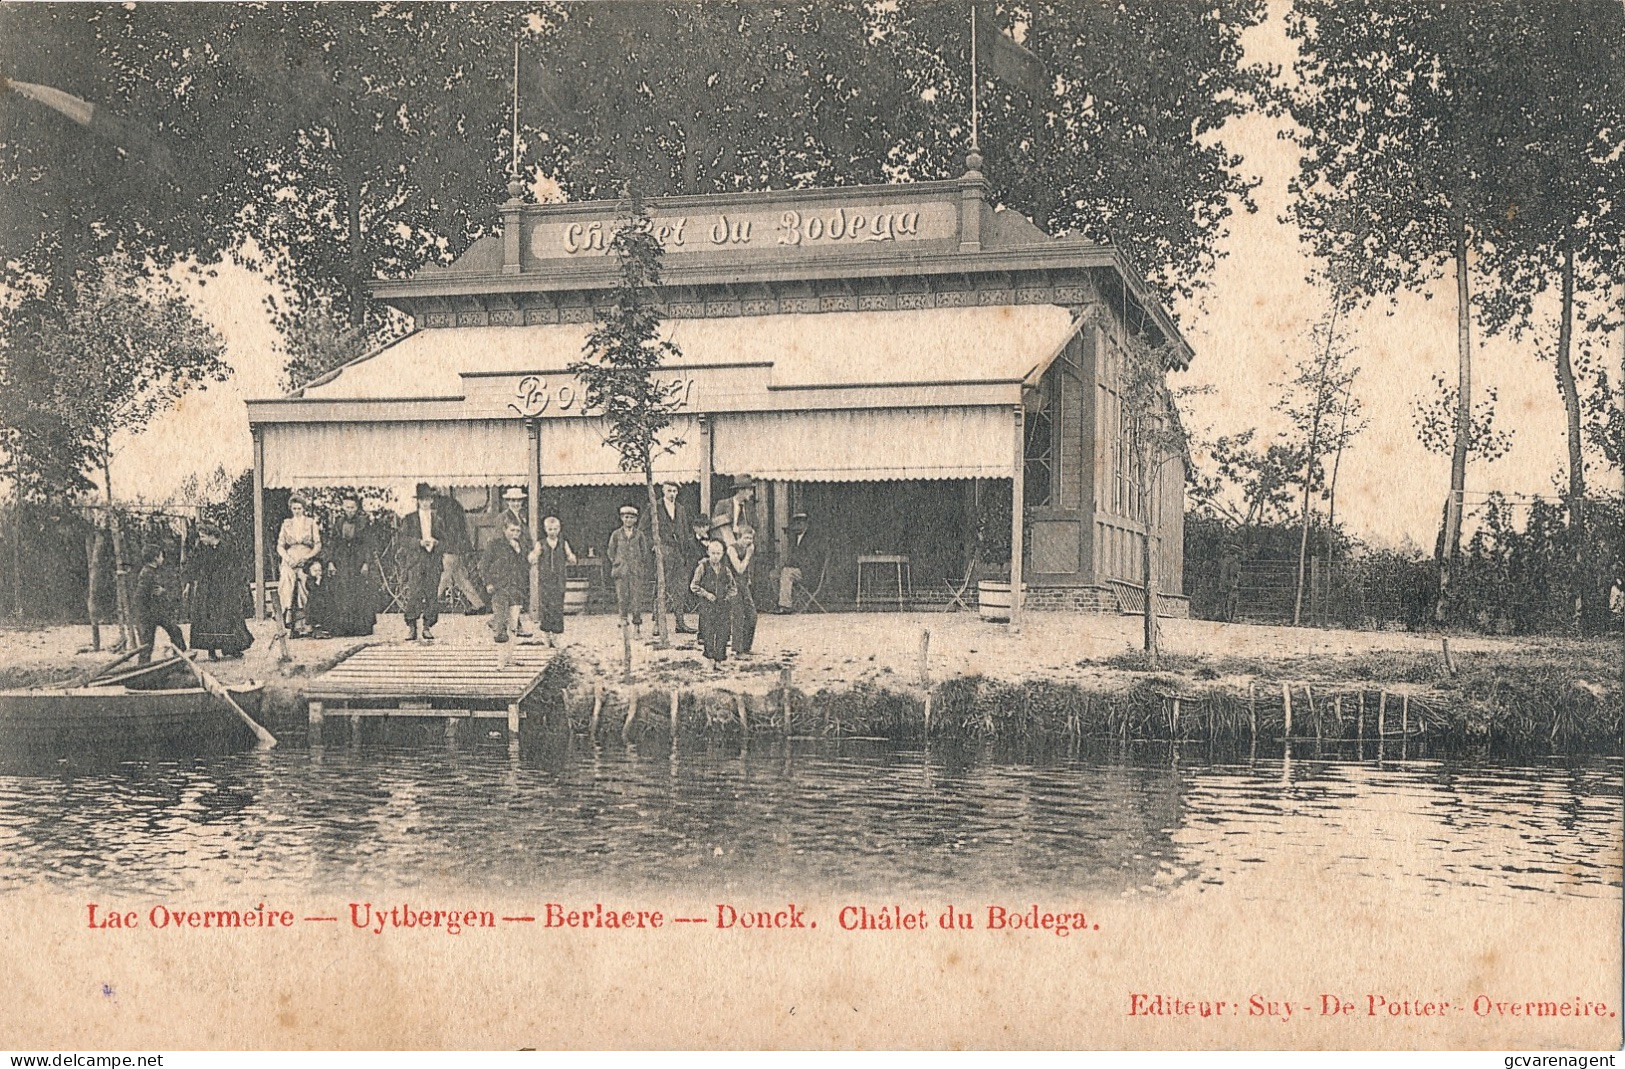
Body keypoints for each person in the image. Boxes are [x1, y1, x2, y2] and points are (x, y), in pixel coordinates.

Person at [185, 523, 253, 659]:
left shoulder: (227, 547)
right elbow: (193, 565)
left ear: (212, 535)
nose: (202, 539)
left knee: (228, 616)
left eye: (203, 536)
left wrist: (236, 585)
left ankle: (231, 648)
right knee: (207, 618)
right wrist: (189, 582)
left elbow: (237, 566)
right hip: (207, 589)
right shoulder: (201, 549)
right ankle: (211, 651)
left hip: (225, 587)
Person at [395, 482, 453, 641]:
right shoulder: (410, 519)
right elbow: (402, 540)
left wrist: (436, 543)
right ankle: (412, 626)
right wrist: (418, 543)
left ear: (432, 500)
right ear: (418, 501)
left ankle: (427, 626)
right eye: (422, 499)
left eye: (428, 499)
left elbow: (446, 542)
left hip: (432, 561)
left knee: (431, 594)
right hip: (416, 562)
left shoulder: (438, 519)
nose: (426, 502)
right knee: (414, 593)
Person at [644, 481, 694, 634]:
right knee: (661, 587)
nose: (672, 494)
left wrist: (685, 552)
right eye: (669, 491)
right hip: (663, 552)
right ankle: (658, 624)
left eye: (674, 491)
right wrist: (654, 546)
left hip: (678, 554)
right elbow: (643, 530)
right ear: (663, 491)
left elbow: (685, 532)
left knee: (680, 588)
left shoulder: (681, 509)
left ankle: (680, 623)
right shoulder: (654, 507)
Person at [324, 494, 376, 637]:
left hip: (357, 561)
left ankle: (360, 627)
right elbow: (332, 543)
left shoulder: (363, 522)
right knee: (342, 592)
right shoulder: (338, 522)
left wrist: (366, 563)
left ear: (357, 508)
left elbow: (368, 544)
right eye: (347, 507)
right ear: (343, 507)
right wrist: (330, 562)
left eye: (352, 507)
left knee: (358, 591)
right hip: (342, 561)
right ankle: (343, 627)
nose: (350, 510)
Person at [480, 517, 538, 643]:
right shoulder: (495, 545)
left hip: (515, 587)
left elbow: (525, 567)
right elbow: (483, 565)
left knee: (513, 625)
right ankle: (499, 635)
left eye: (518, 531)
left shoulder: (520, 547)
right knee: (501, 623)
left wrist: (523, 555)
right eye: (512, 530)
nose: (515, 534)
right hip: (499, 586)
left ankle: (509, 655)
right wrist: (488, 582)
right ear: (504, 529)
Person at [434, 486, 490, 616]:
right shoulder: (454, 504)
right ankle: (478, 605)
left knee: (444, 577)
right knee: (460, 578)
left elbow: (441, 530)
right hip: (457, 548)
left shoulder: (442, 507)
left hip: (449, 548)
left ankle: (431, 604)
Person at [133, 544, 186, 663]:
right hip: (148, 613)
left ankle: (180, 658)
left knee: (175, 631)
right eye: (161, 556)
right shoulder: (147, 573)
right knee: (147, 644)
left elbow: (161, 588)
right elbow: (140, 595)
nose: (163, 558)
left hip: (157, 611)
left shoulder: (154, 571)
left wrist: (163, 592)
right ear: (155, 558)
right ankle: (143, 668)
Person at [276, 495, 321, 633]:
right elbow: (280, 545)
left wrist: (307, 557)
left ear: (304, 509)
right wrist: (288, 559)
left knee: (304, 582)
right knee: (287, 580)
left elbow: (318, 544)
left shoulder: (311, 523)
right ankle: (289, 617)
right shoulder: (286, 523)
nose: (297, 511)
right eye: (294, 508)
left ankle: (306, 623)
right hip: (290, 558)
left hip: (306, 558)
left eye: (299, 508)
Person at [690, 539, 737, 670]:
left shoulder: (726, 570)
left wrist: (727, 597)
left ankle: (719, 660)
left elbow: (733, 587)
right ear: (708, 553)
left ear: (722, 554)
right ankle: (708, 659)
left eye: (718, 553)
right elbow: (694, 585)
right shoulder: (702, 567)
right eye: (713, 553)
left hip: (722, 605)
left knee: (723, 632)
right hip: (707, 605)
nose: (715, 556)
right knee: (708, 632)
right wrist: (706, 594)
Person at [606, 504, 651, 637]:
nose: (629, 520)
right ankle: (624, 627)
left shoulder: (639, 535)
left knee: (636, 600)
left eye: (632, 517)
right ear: (622, 518)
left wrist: (638, 564)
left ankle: (637, 628)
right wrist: (618, 562)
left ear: (636, 520)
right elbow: (611, 551)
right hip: (621, 572)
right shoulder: (616, 534)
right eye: (626, 517)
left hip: (635, 572)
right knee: (622, 599)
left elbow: (645, 552)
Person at [534, 515, 576, 647]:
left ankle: (556, 636)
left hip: (559, 580)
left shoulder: (563, 543)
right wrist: (533, 556)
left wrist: (572, 558)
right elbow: (534, 555)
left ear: (559, 529)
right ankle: (546, 635)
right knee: (545, 606)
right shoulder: (540, 543)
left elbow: (570, 556)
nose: (553, 531)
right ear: (545, 529)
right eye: (550, 529)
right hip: (545, 580)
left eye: (555, 529)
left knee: (557, 607)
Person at [776, 512, 823, 613]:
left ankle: (786, 606)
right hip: (797, 571)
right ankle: (781, 603)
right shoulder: (794, 539)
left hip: (808, 573)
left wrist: (793, 565)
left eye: (799, 523)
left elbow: (810, 560)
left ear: (806, 524)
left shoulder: (812, 539)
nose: (796, 526)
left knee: (786, 572)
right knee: (774, 574)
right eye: (795, 523)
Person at [726, 519, 758, 656]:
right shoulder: (732, 549)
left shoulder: (748, 547)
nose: (748, 541)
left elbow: (746, 571)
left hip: (743, 585)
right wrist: (748, 555)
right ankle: (738, 650)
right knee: (738, 616)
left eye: (750, 538)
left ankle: (746, 647)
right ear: (739, 537)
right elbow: (739, 568)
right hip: (732, 585)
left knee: (752, 615)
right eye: (746, 538)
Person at [362, 496, 398, 614]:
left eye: (374, 514)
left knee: (376, 581)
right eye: (369, 513)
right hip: (364, 557)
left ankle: (376, 607)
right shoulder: (362, 525)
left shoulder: (380, 526)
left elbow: (383, 540)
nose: (371, 516)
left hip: (378, 557)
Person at [303, 559, 334, 637]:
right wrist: (318, 581)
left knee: (325, 612)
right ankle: (317, 630)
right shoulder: (310, 579)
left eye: (319, 570)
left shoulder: (323, 579)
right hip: (314, 601)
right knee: (315, 613)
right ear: (309, 571)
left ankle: (325, 629)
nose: (317, 572)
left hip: (323, 600)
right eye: (315, 570)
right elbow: (312, 588)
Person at [1217, 541, 1242, 623]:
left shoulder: (1224, 560)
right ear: (1235, 553)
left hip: (1223, 582)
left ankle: (1224, 616)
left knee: (1224, 600)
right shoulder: (1234, 562)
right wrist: (1234, 584)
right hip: (1230, 584)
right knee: (1232, 601)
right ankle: (1230, 618)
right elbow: (1233, 574)